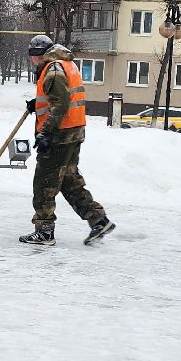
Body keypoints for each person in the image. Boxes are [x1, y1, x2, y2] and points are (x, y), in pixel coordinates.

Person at [20, 34, 116, 247]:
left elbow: (61, 105)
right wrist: (38, 104)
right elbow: (60, 98)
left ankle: (44, 231)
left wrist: (45, 132)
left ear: (39, 54)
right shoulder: (65, 63)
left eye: (32, 56)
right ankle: (98, 220)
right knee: (68, 180)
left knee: (45, 183)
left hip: (59, 136)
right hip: (74, 133)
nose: (32, 60)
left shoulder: (53, 69)